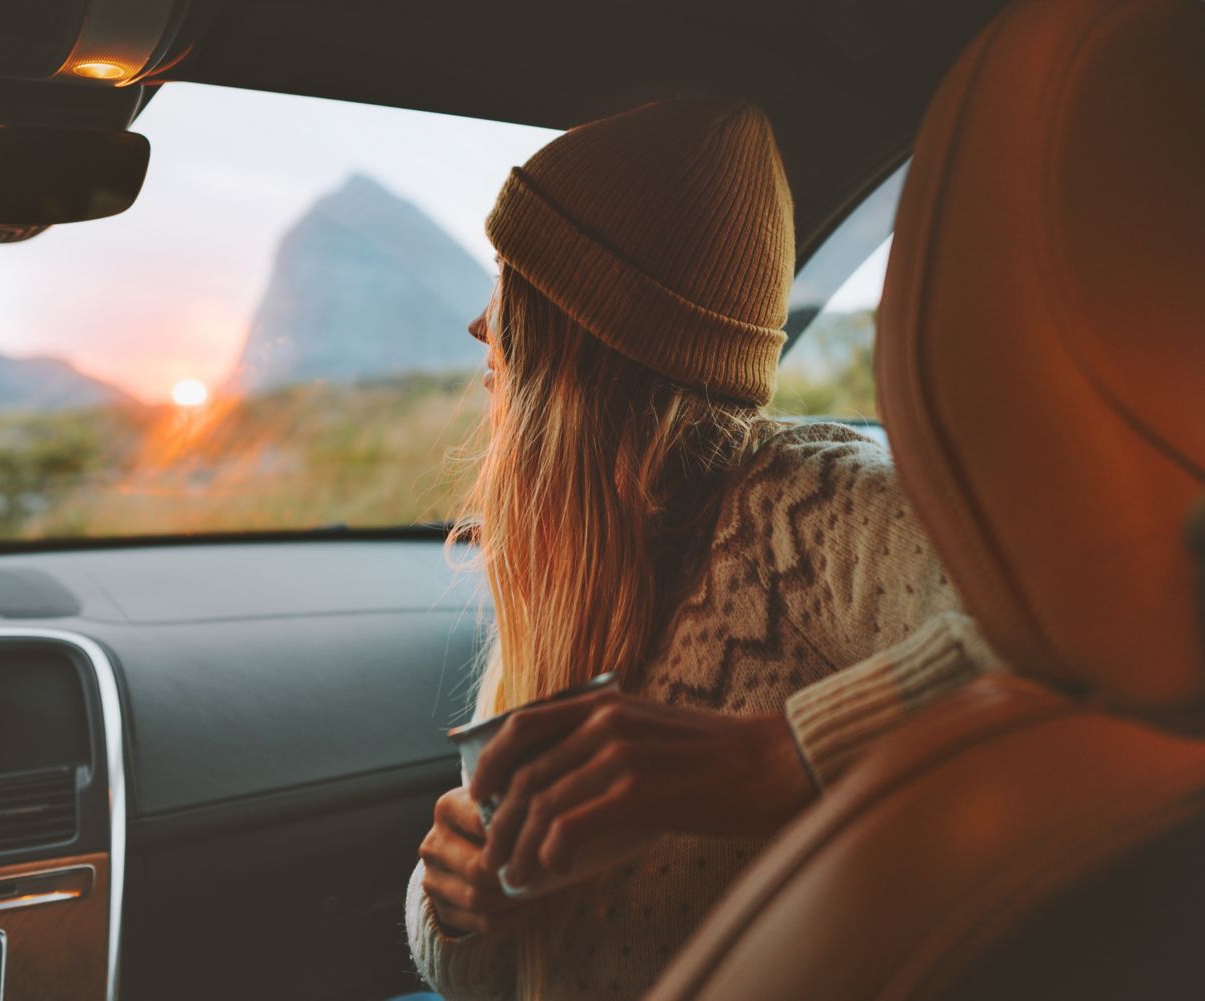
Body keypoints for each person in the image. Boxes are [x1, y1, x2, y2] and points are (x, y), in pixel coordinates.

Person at [405, 100, 998, 1001]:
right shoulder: (577, 561)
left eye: (510, 281)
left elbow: (1060, 632)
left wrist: (772, 759)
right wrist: (453, 903)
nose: (482, 327)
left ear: (586, 325)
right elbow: (491, 978)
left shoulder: (813, 506)